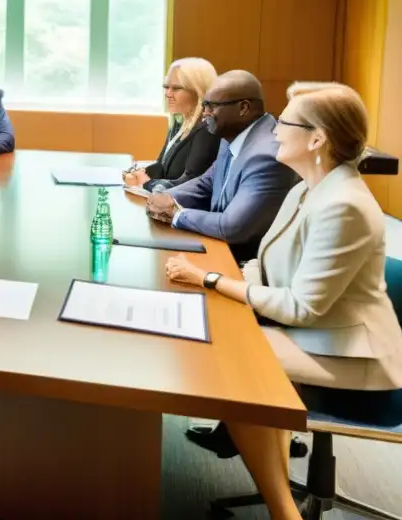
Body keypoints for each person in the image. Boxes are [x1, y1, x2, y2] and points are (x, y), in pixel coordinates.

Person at [165, 82, 402, 520]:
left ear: (317, 139)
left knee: (233, 363)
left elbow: (301, 308)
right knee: (228, 343)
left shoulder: (344, 203)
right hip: (317, 334)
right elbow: (266, 261)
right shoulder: (308, 187)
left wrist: (213, 279)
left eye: (285, 122)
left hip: (357, 359)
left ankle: (283, 513)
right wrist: (225, 281)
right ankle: (282, 502)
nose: (273, 130)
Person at [145, 70, 299, 262]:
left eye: (211, 106)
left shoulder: (266, 156)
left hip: (245, 264)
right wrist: (166, 198)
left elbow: (232, 227)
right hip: (219, 247)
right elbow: (206, 182)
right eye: (204, 105)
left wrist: (176, 213)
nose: (204, 114)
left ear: (243, 108)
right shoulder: (232, 135)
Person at [124, 57, 220, 192]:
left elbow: (191, 183)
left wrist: (147, 183)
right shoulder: (180, 121)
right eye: (166, 87)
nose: (168, 94)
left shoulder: (206, 131)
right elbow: (161, 167)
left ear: (198, 91)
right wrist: (139, 172)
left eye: (176, 88)